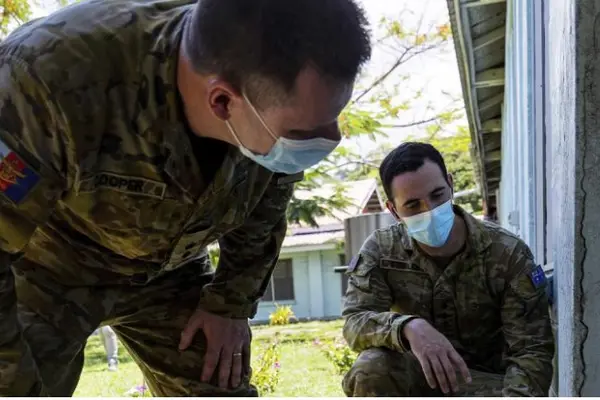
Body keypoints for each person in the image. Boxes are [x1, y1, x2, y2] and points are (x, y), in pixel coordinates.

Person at [0, 0, 371, 396]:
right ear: (223, 102)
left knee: (217, 385)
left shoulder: (267, 78)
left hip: (171, 268)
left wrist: (230, 302)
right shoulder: (42, 79)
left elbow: (266, 201)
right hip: (47, 265)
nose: (331, 138)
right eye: (303, 134)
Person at [341, 142, 554, 397]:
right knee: (372, 368)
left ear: (451, 184)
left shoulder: (507, 253)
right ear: (393, 210)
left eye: (437, 195)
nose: (429, 210)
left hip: (487, 385)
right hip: (419, 377)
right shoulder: (382, 249)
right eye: (413, 205)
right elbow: (355, 323)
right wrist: (407, 327)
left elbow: (531, 351)